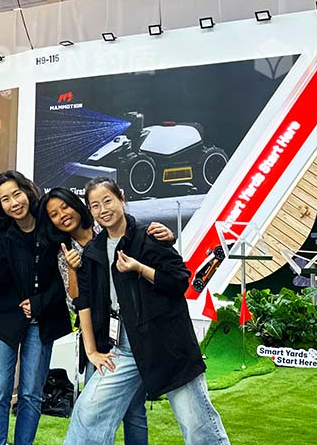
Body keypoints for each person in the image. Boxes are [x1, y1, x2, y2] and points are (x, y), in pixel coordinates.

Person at [64, 178, 230, 445]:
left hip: (166, 343)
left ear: (121, 198)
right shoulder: (93, 251)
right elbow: (83, 301)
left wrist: (140, 268)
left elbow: (179, 281)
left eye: (108, 200)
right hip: (122, 349)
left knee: (197, 425)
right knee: (88, 411)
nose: (103, 209)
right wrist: (92, 351)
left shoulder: (150, 236)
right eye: (95, 205)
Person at [41, 187, 175, 445]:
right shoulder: (63, 250)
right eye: (54, 214)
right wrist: (72, 268)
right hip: (97, 335)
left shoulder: (105, 228)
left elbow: (149, 255)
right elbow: (75, 301)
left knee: (134, 409)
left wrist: (167, 236)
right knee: (95, 408)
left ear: (77, 205)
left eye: (65, 207)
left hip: (131, 330)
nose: (62, 215)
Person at [0, 171, 71, 445]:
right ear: (0, 205)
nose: (14, 203)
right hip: (4, 320)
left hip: (42, 319)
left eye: (16, 194)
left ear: (27, 191)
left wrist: (38, 303)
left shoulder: (50, 228)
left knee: (31, 393)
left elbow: (63, 278)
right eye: (5, 199)